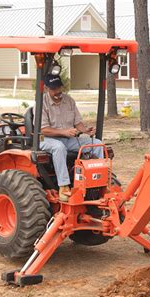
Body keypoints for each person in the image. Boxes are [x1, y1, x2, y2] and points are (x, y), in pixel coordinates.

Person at [39, 74, 104, 202]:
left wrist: (85, 130)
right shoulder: (42, 104)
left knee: (96, 144)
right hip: (46, 139)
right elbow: (43, 129)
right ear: (46, 89)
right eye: (54, 89)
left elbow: (77, 122)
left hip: (68, 139)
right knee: (59, 147)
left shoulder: (69, 101)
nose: (58, 92)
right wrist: (64, 132)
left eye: (59, 88)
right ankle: (63, 186)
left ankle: (100, 182)